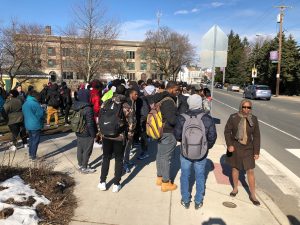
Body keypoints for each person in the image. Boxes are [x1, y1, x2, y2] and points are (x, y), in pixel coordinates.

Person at [174, 94, 217, 209]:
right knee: (200, 175)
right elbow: (212, 136)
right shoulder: (207, 118)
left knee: (185, 175)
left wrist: (184, 142)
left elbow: (177, 135)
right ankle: (198, 201)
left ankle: (186, 199)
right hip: (201, 153)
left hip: (185, 152)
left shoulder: (182, 117)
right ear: (200, 104)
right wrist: (206, 147)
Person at [98, 85, 136, 193]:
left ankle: (102, 182)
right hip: (119, 137)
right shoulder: (126, 106)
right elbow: (132, 123)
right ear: (125, 93)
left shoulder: (106, 102)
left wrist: (100, 132)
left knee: (106, 158)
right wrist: (130, 135)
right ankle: (116, 184)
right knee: (119, 159)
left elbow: (99, 118)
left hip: (106, 135)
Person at [224, 99, 261, 206]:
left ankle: (253, 195)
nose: (246, 109)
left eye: (248, 107)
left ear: (251, 108)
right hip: (235, 146)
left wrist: (256, 151)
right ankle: (235, 189)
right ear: (241, 107)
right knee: (235, 168)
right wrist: (229, 144)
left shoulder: (253, 119)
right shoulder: (233, 117)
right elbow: (227, 131)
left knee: (250, 170)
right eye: (244, 107)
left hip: (248, 147)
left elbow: (257, 136)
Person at [153, 81, 179, 192]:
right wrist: (178, 117)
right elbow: (172, 120)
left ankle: (159, 178)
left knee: (160, 155)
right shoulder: (169, 101)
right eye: (177, 90)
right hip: (168, 131)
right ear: (172, 89)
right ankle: (165, 183)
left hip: (159, 130)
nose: (178, 92)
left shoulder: (160, 98)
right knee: (166, 158)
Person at [73, 95, 98, 174]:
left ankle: (80, 164)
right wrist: (93, 134)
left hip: (78, 130)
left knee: (80, 149)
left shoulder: (76, 106)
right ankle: (84, 167)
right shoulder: (88, 109)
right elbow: (90, 124)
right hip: (87, 132)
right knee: (87, 150)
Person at [22, 90, 45, 160]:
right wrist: (43, 110)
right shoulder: (35, 104)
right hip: (35, 125)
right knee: (35, 141)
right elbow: (41, 114)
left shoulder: (25, 103)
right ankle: (33, 156)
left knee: (31, 140)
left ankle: (30, 154)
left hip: (28, 124)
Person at [123, 88, 138, 173]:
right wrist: (131, 130)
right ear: (131, 94)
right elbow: (131, 118)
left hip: (128, 130)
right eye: (135, 94)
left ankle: (127, 161)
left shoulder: (132, 102)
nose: (137, 96)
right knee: (126, 148)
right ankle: (125, 165)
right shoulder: (128, 103)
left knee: (127, 148)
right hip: (128, 130)